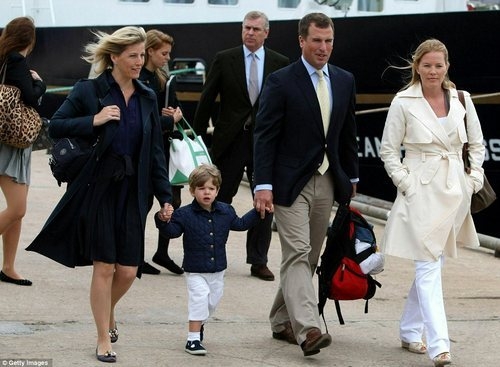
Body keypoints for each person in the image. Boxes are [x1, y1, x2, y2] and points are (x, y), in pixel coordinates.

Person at [26, 26, 173, 363]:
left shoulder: (148, 96)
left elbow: (154, 153)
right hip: (100, 188)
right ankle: (102, 337)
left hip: (134, 191)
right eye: (133, 55)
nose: (140, 62)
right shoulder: (89, 90)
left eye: (141, 55)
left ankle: (107, 313)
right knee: (105, 267)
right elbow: (56, 125)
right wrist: (94, 119)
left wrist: (166, 197)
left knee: (127, 270)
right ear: (114, 57)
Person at [253, 13, 358, 356]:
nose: (323, 48)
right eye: (316, 40)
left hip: (327, 179)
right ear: (301, 40)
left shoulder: (344, 80)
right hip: (288, 183)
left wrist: (351, 177)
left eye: (329, 41)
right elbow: (265, 135)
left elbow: (347, 134)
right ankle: (309, 329)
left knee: (310, 256)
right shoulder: (281, 81)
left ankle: (280, 320)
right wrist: (262, 184)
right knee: (296, 252)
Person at [379, 39, 485, 367]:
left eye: (438, 65)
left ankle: (410, 331)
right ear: (417, 67)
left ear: (447, 66)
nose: (433, 71)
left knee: (433, 263)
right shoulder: (403, 101)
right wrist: (406, 183)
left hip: (455, 191)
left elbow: (477, 144)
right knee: (427, 264)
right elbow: (388, 149)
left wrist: (474, 180)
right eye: (427, 65)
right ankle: (439, 345)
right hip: (420, 190)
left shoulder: (462, 100)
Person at [193, 10, 289, 281]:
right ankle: (212, 253)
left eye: (256, 29)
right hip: (230, 141)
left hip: (265, 144)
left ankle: (258, 261)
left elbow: (286, 106)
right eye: (247, 27)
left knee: (265, 200)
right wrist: (197, 140)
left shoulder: (280, 63)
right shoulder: (225, 59)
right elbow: (207, 99)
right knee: (219, 199)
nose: (250, 32)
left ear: (266, 33)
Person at [155, 163, 264, 355]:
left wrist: (257, 211)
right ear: (192, 190)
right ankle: (193, 340)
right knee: (199, 299)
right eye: (201, 188)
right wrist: (162, 220)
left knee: (211, 303)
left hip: (218, 270)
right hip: (195, 270)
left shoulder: (226, 211)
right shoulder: (184, 214)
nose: (207, 192)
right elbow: (172, 233)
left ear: (217, 190)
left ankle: (200, 324)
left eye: (211, 188)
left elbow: (240, 224)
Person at [0, 16, 46, 287]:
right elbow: (31, 97)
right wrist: (40, 83)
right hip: (12, 143)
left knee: (15, 210)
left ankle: (8, 266)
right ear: (29, 39)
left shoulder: (3, 58)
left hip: (6, 138)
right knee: (17, 209)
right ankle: (7, 266)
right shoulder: (17, 60)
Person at [139, 29, 184, 275]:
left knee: (172, 201)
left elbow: (173, 108)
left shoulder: (162, 79)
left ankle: (162, 251)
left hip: (165, 149)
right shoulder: (139, 79)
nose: (168, 58)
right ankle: (136, 255)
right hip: (146, 151)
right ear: (150, 51)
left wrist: (175, 116)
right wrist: (168, 121)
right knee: (143, 203)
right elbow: (140, 120)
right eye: (164, 53)